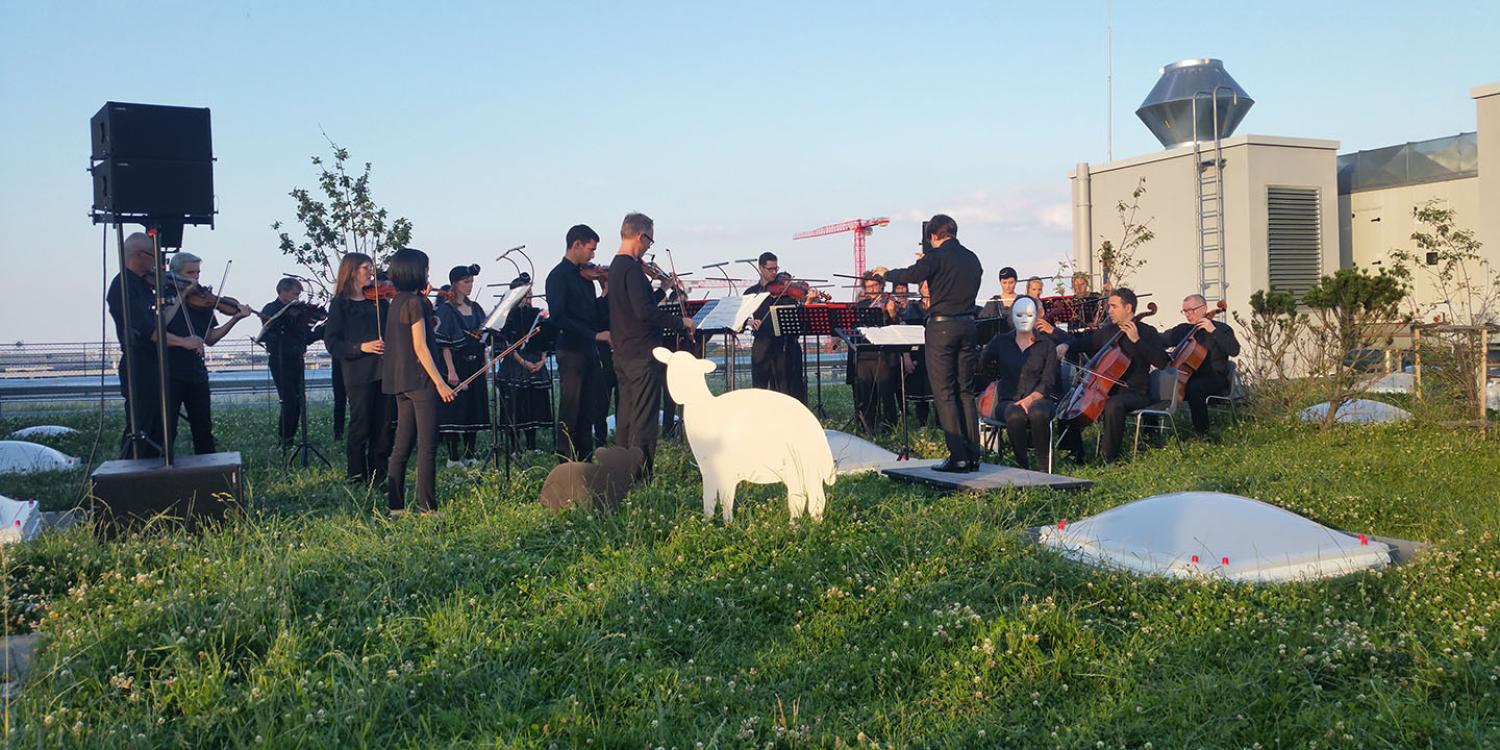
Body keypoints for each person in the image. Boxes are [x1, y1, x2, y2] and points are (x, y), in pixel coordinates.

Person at [881, 215, 984, 472]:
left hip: (942, 327)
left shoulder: (936, 257)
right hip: (969, 325)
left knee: (945, 392)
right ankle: (973, 455)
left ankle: (958, 456)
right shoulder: (972, 257)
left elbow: (911, 275)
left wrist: (886, 273)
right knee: (965, 391)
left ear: (934, 235)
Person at [606, 212, 696, 478]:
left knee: (625, 416)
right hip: (642, 354)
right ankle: (640, 476)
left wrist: (662, 290)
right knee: (644, 419)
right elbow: (645, 313)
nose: (648, 247)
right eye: (649, 241)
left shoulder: (616, 266)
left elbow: (637, 306)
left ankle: (619, 471)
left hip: (622, 352)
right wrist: (681, 322)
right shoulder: (633, 268)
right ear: (640, 236)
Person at [106, 232, 196, 458]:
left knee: (158, 425)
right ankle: (132, 472)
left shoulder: (145, 286)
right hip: (139, 365)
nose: (158, 265)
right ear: (139, 255)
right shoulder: (123, 285)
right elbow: (150, 332)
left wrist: (182, 295)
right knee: (142, 424)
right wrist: (184, 342)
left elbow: (160, 322)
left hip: (155, 364)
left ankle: (156, 470)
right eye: (153, 257)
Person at [1056, 287, 1169, 464]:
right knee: (1071, 401)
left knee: (1113, 404)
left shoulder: (1147, 332)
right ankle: (1074, 453)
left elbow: (1162, 361)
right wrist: (1067, 346)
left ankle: (1109, 458)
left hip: (1135, 393)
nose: (1109, 311)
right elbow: (1085, 343)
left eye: (1113, 306)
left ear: (1128, 308)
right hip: (1105, 389)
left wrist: (1136, 341)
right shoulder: (1108, 331)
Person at [383, 247, 455, 515]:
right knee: (427, 446)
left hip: (400, 381)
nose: (427, 273)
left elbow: (421, 332)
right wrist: (440, 382)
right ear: (416, 271)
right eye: (425, 269)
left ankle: (396, 506)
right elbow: (420, 347)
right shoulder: (414, 303)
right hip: (420, 380)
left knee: (402, 445)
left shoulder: (399, 302)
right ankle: (428, 507)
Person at [161, 252, 253, 454]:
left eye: (198, 273)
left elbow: (210, 338)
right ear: (175, 273)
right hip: (170, 372)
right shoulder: (165, 298)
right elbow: (160, 326)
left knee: (203, 427)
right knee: (168, 428)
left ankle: (208, 470)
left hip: (196, 371)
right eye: (190, 272)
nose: (195, 277)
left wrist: (235, 319)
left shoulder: (202, 300)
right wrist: (182, 295)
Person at [324, 253, 392, 485]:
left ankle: (379, 473)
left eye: (371, 268)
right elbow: (332, 343)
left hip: (384, 370)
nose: (371, 272)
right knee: (360, 424)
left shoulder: (380, 302)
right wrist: (361, 347)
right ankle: (356, 473)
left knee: (383, 425)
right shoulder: (340, 304)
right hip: (358, 372)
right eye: (366, 268)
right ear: (352, 271)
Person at [546, 224, 611, 461]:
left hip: (589, 350)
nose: (593, 256)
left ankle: (585, 460)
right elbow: (558, 318)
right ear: (576, 245)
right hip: (571, 350)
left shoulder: (586, 279)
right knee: (570, 409)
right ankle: (565, 462)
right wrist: (594, 335)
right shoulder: (557, 276)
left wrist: (605, 292)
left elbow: (592, 313)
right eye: (590, 250)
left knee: (588, 409)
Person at [978, 296, 1059, 471]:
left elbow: (1048, 381)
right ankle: (1022, 467)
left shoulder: (1046, 345)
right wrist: (991, 385)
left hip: (1040, 399)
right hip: (1008, 400)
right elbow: (981, 366)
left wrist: (1030, 400)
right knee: (1015, 414)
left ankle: (1043, 469)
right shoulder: (1001, 342)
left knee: (1037, 412)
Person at [258, 278, 325, 449]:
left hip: (296, 358)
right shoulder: (271, 309)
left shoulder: (299, 311)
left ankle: (292, 438)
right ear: (283, 292)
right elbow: (272, 333)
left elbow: (306, 337)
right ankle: (285, 440)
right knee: (289, 401)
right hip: (280, 359)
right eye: (295, 294)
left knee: (298, 401)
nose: (297, 298)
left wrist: (322, 328)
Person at [1162, 294, 1240, 437]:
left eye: (1192, 310)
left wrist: (1213, 331)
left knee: (1194, 387)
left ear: (1204, 308)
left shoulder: (1222, 329)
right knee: (1158, 384)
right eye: (1185, 311)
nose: (1188, 314)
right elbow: (1161, 340)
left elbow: (1234, 350)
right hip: (1189, 377)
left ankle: (1202, 433)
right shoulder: (1184, 329)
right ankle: (1152, 432)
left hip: (1215, 378)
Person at [496, 282, 553, 453]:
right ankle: (514, 446)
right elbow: (508, 344)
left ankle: (531, 445)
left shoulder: (537, 314)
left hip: (535, 360)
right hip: (515, 363)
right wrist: (523, 362)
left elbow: (546, 338)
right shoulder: (509, 315)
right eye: (525, 294)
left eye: (530, 293)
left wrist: (542, 360)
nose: (528, 297)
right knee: (515, 405)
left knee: (533, 404)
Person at [744, 251, 808, 402]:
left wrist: (806, 300)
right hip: (762, 343)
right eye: (770, 269)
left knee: (784, 390)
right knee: (759, 388)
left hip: (784, 344)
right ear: (761, 268)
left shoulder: (785, 292)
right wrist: (749, 322)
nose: (774, 273)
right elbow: (741, 317)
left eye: (776, 269)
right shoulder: (751, 292)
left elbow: (798, 314)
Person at [848, 272, 898, 433]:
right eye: (869, 287)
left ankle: (890, 427)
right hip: (864, 354)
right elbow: (854, 326)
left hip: (882, 354)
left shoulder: (890, 302)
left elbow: (895, 327)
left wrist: (891, 313)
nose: (873, 289)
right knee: (866, 393)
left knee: (886, 393)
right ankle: (868, 426)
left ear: (882, 286)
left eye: (875, 286)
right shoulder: (861, 306)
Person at [899, 281, 933, 425]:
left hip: (936, 354)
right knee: (921, 393)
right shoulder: (913, 308)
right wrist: (906, 357)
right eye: (924, 286)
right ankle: (922, 425)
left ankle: (941, 426)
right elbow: (905, 334)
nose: (927, 289)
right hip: (918, 354)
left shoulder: (941, 307)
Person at [593, 274, 616, 448]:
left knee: (623, 402)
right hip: (604, 359)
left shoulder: (620, 305)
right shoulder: (598, 304)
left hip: (621, 358)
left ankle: (622, 439)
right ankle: (600, 440)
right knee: (602, 403)